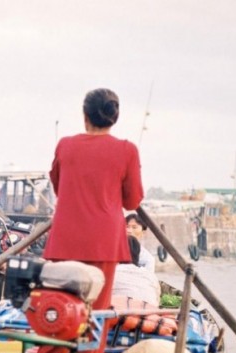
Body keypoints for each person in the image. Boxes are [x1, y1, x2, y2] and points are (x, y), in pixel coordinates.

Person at [42, 88, 145, 310]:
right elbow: (132, 202)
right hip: (103, 242)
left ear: (85, 115)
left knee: (60, 309)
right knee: (96, 311)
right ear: (114, 118)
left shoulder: (65, 145)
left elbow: (60, 187)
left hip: (65, 238)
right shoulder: (127, 150)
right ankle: (90, 346)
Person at [113, 236, 161, 306]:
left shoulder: (110, 274)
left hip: (120, 313)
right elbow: (157, 301)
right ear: (138, 253)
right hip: (149, 313)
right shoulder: (151, 276)